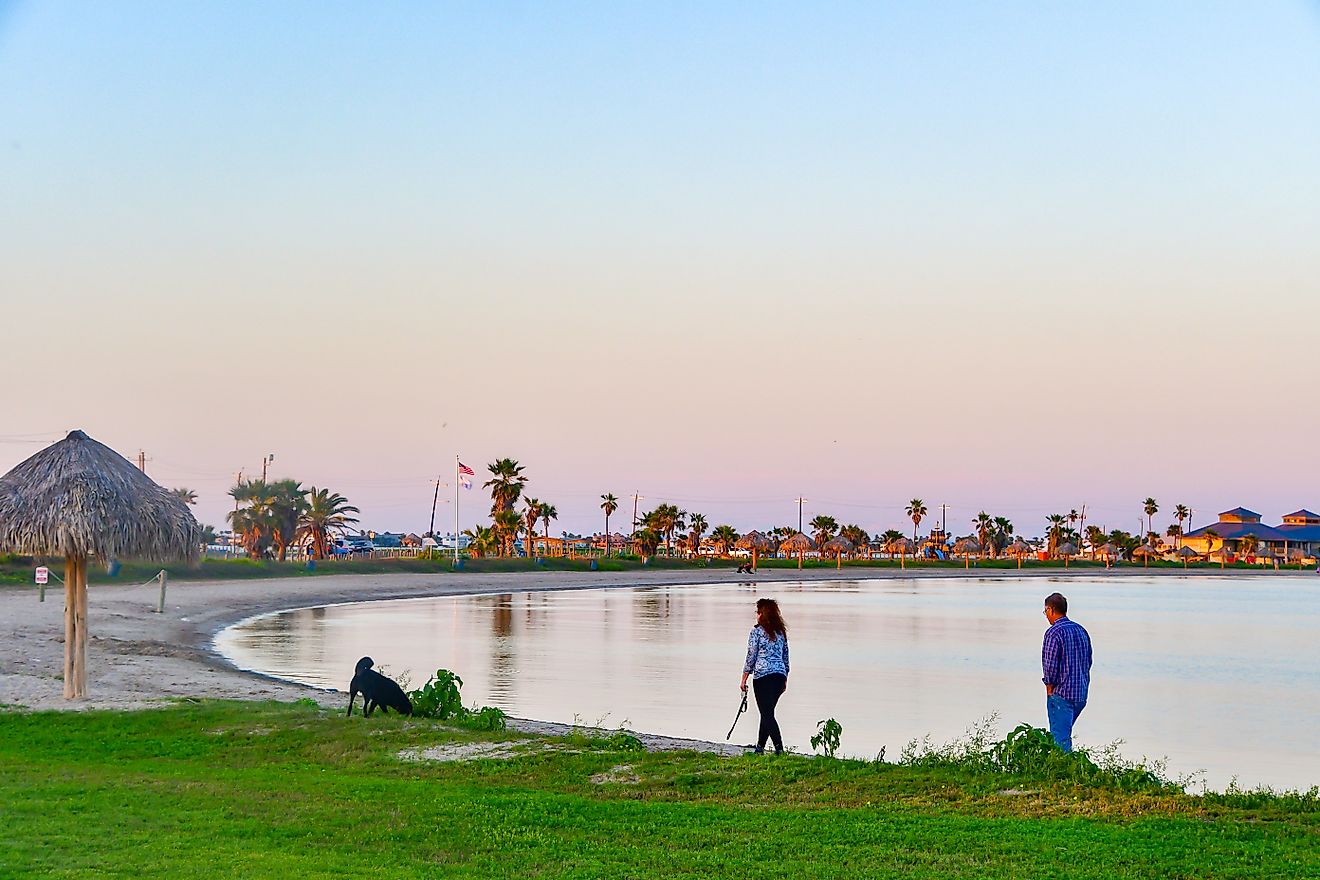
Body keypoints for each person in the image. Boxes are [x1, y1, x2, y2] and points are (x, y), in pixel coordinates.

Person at [1040, 592, 1092, 752]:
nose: (1046, 615)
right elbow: (1088, 661)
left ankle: (1063, 773)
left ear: (1051, 610)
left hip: (1061, 694)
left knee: (1060, 740)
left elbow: (1050, 665)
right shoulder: (1081, 630)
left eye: (1045, 611)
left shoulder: (1053, 633)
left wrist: (1049, 688)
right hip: (1080, 694)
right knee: (1063, 734)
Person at [740, 597, 789, 754]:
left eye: (759, 612)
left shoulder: (756, 632)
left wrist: (744, 678)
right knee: (767, 712)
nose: (757, 615)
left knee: (766, 714)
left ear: (764, 614)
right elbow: (786, 657)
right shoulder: (781, 633)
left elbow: (751, 656)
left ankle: (779, 748)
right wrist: (785, 678)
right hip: (779, 676)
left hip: (762, 677)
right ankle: (759, 747)